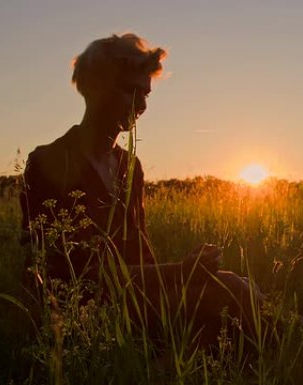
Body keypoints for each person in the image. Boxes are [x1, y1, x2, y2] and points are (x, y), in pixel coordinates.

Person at [19, 33, 261, 346]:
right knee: (229, 291)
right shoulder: (47, 162)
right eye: (131, 91)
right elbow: (77, 275)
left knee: (234, 287)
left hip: (137, 299)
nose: (143, 105)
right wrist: (181, 272)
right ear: (95, 87)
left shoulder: (129, 166)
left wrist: (187, 271)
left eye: (146, 94)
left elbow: (141, 258)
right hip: (84, 313)